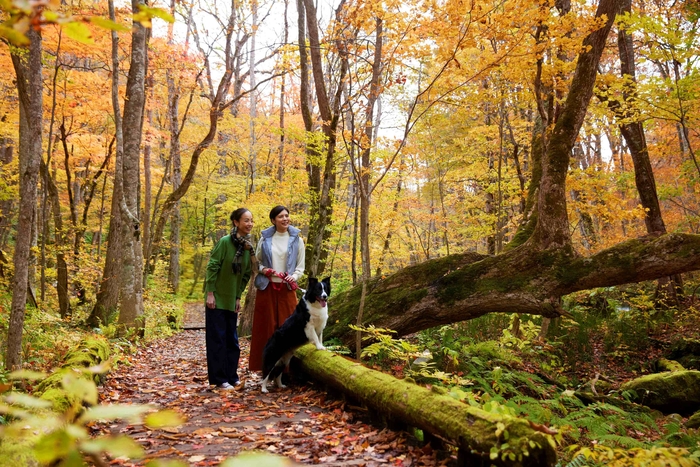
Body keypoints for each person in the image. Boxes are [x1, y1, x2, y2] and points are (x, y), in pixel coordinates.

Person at [249, 205, 305, 372]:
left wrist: (293, 277)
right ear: (273, 220)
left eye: (287, 215)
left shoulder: (298, 240)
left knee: (289, 329)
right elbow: (256, 262)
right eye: (281, 216)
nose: (285, 219)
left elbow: (300, 267)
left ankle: (288, 372)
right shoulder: (265, 239)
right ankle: (267, 369)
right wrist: (264, 270)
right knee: (267, 329)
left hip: (287, 290)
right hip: (267, 289)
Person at [204, 208, 255, 390]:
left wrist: (238, 297)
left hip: (231, 300)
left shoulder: (247, 247)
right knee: (217, 339)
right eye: (245, 220)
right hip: (216, 298)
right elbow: (212, 266)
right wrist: (210, 293)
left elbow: (246, 274)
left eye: (251, 220)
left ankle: (232, 376)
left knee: (232, 341)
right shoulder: (225, 242)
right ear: (236, 222)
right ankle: (219, 379)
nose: (249, 224)